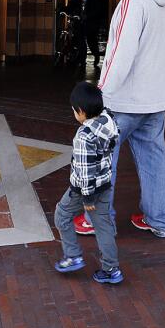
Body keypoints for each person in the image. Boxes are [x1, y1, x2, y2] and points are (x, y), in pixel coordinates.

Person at [77, 0, 165, 239]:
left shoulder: (132, 0)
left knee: (104, 160)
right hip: (155, 100)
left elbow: (121, 51)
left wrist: (100, 90)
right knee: (154, 159)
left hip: (125, 101)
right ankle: (158, 219)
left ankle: (98, 221)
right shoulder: (160, 4)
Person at [53, 81, 123, 284]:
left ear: (81, 112)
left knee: (62, 214)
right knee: (103, 227)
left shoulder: (84, 136)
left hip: (84, 190)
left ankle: (72, 255)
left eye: (74, 111)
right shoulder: (109, 121)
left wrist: (87, 197)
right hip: (105, 185)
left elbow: (84, 171)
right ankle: (112, 270)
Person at [66, 0, 106, 67]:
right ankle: (82, 61)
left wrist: (89, 16)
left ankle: (96, 56)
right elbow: (71, 4)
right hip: (80, 23)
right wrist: (65, 10)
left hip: (90, 23)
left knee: (91, 41)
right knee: (81, 43)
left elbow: (97, 9)